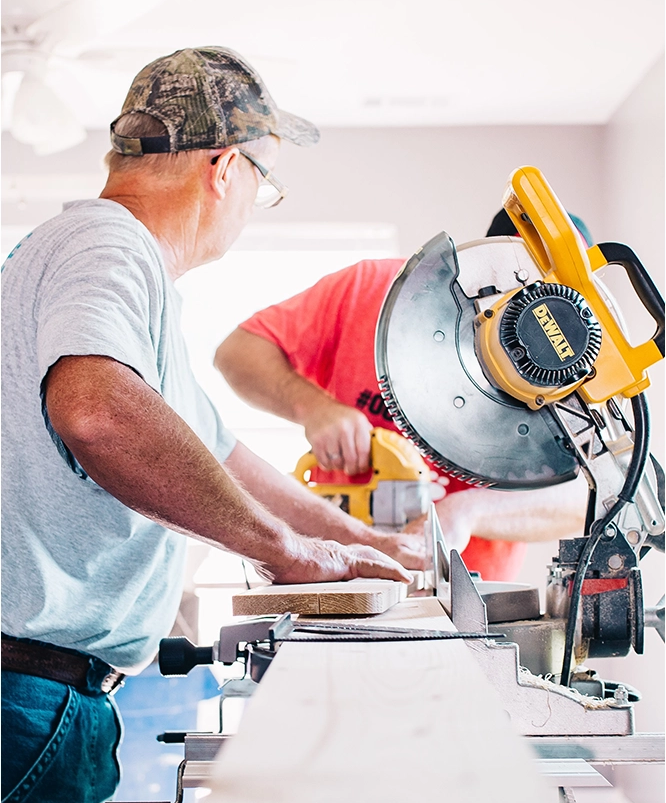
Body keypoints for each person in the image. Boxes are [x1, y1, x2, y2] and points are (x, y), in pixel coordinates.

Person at [1, 47, 423, 803]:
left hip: (36, 700)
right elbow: (99, 411)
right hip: (29, 696)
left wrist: (354, 541)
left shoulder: (98, 264)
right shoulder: (106, 243)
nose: (254, 209)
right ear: (225, 167)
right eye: (266, 185)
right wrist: (281, 549)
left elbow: (221, 452)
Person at [215, 211, 590, 581]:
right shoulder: (372, 289)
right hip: (335, 568)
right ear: (484, 258)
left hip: (467, 592)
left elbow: (585, 498)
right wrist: (313, 407)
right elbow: (237, 353)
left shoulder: (573, 370)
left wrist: (467, 510)